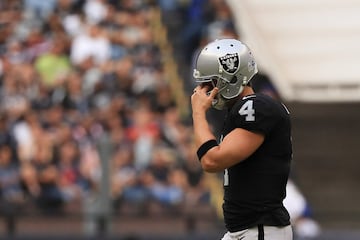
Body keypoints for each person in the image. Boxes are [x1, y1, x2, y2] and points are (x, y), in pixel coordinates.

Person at [191, 38, 293, 240]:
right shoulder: (242, 109)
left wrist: (198, 113)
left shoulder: (256, 107)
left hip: (260, 230)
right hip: (243, 231)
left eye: (211, 81)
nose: (205, 89)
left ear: (231, 78)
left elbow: (212, 160)